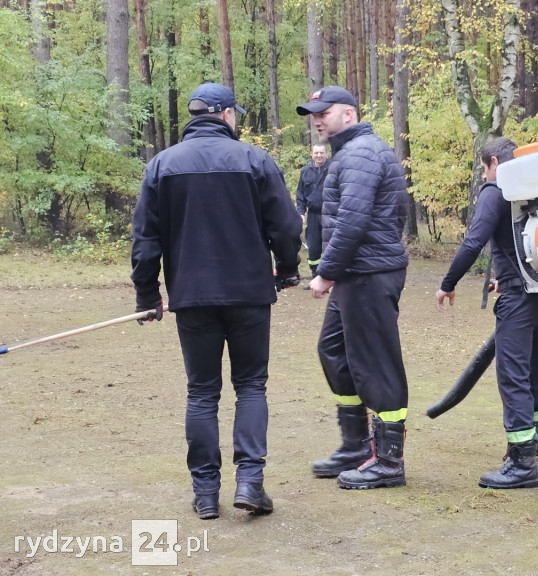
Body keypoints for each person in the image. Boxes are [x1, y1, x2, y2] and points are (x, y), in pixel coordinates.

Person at [131, 82, 303, 519]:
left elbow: (145, 239)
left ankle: (206, 492)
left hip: (192, 296)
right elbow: (285, 226)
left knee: (202, 392)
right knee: (250, 385)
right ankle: (249, 481)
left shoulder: (161, 165)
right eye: (237, 114)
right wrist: (287, 270)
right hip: (248, 294)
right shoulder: (254, 160)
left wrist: (147, 294)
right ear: (226, 115)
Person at [296, 86, 411, 489]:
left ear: (348, 114)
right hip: (357, 272)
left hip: (368, 273)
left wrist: (326, 272)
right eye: (313, 114)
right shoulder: (349, 154)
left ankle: (389, 461)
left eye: (323, 112)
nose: (316, 119)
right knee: (334, 351)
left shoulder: (361, 154)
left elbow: (353, 221)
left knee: (376, 364)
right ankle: (356, 445)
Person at [435, 137, 538, 490]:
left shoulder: (496, 191)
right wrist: (499, 277)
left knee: (512, 376)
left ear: (492, 162)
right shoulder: (537, 190)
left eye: (483, 167)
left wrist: (447, 283)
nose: (483, 173)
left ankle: (522, 462)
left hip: (519, 300)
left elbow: (473, 242)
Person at [295, 144, 330, 284]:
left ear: (326, 154)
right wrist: (301, 212)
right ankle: (316, 277)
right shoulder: (305, 171)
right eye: (316, 153)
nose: (319, 155)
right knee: (314, 248)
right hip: (313, 215)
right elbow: (300, 194)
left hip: (330, 214)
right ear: (312, 154)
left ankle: (330, 279)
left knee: (330, 246)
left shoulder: (333, 169)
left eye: (322, 153)